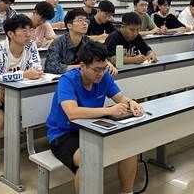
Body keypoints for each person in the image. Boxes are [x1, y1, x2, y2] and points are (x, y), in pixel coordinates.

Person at [46, 41, 142, 194]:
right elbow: (72, 113)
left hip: (92, 128)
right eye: (96, 69)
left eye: (104, 68)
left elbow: (120, 98)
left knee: (128, 149)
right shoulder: (67, 80)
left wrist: (131, 103)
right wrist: (108, 111)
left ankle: (127, 192)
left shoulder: (104, 76)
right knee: (89, 160)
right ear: (82, 66)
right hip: (63, 135)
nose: (101, 73)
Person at [0, 14, 44, 163]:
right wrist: (23, 75)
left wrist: (5, 84)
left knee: (40, 109)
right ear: (11, 34)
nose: (28, 34)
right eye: (23, 30)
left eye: (30, 30)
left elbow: (37, 70)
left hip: (18, 93)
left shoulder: (31, 46)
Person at [45, 9, 117, 75]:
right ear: (69, 25)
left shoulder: (88, 41)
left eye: (86, 21)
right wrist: (81, 67)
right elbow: (50, 67)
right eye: (80, 20)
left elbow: (101, 57)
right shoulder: (58, 43)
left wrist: (107, 63)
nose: (85, 23)